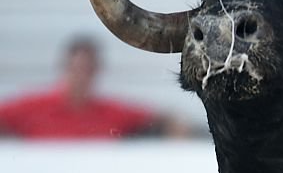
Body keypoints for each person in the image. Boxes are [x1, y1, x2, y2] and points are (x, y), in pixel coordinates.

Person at [0, 36, 190, 139]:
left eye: (87, 70)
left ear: (96, 71)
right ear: (66, 68)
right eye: (77, 69)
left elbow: (163, 120)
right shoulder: (36, 106)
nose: (81, 77)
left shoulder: (109, 111)